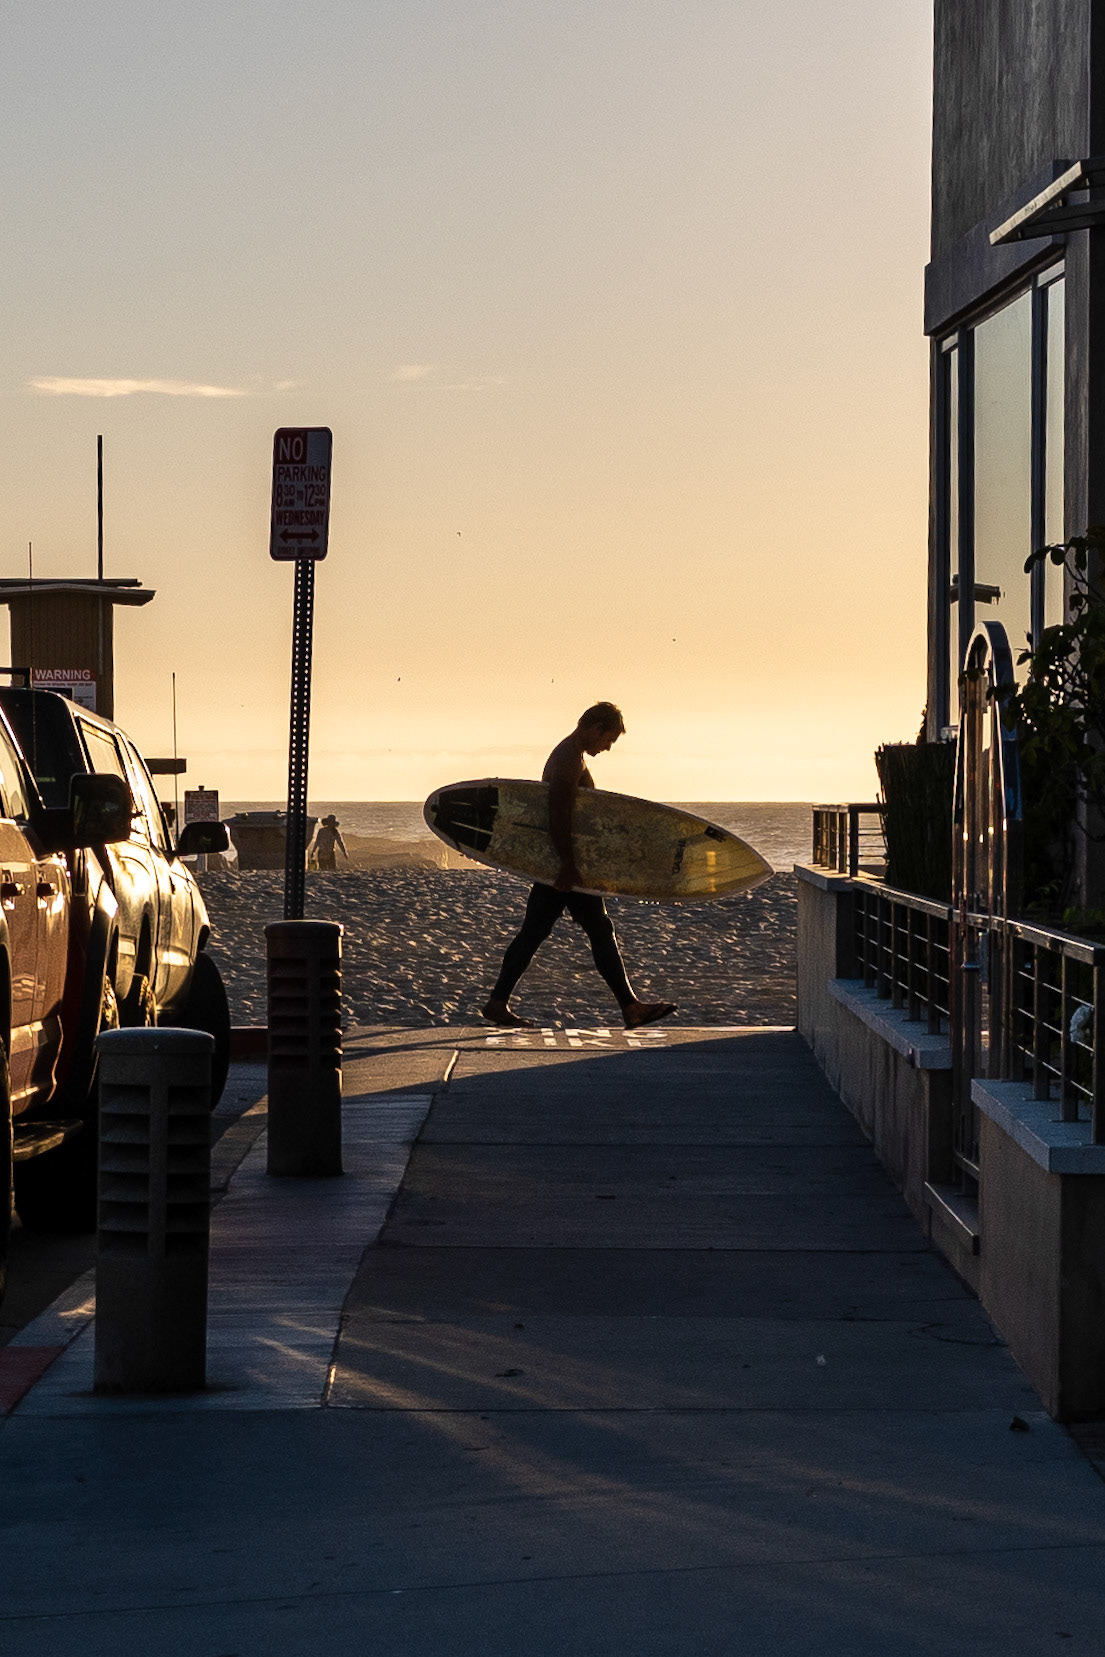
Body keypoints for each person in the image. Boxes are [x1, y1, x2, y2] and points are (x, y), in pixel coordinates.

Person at [482, 702, 677, 1030]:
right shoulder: (569, 759)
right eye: (609, 739)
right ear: (596, 727)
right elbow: (558, 813)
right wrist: (568, 865)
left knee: (535, 933)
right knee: (598, 930)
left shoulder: (571, 755)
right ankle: (630, 1008)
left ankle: (497, 1002)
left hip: (561, 863)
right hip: (566, 865)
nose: (609, 747)